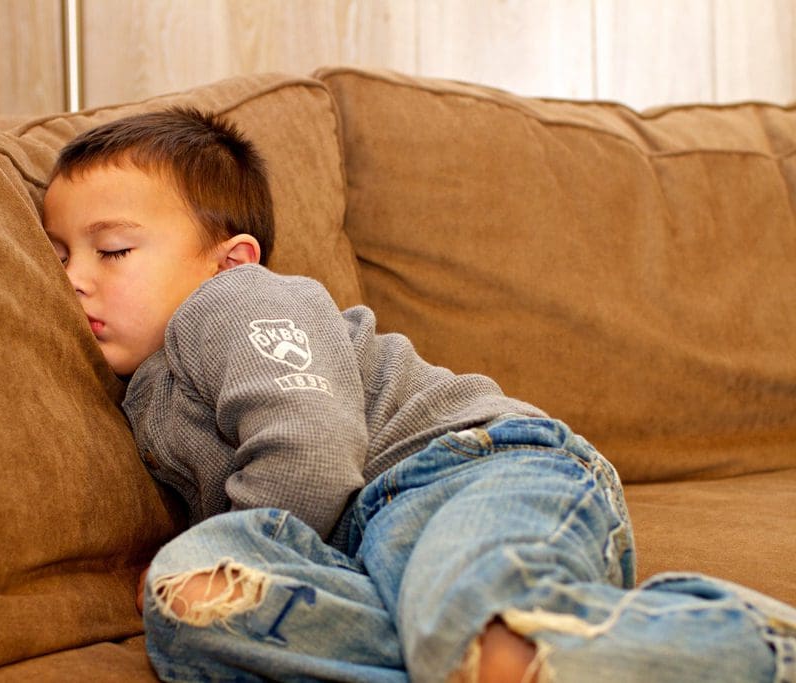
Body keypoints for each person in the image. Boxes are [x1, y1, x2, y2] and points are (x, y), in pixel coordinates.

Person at [42, 107, 796, 683]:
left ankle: (753, 647)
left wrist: (226, 542)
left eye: (112, 250)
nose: (76, 275)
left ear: (228, 260)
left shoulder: (235, 303)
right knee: (196, 613)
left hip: (473, 471)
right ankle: (521, 650)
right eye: (62, 253)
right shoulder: (143, 389)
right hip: (373, 549)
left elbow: (306, 452)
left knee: (477, 629)